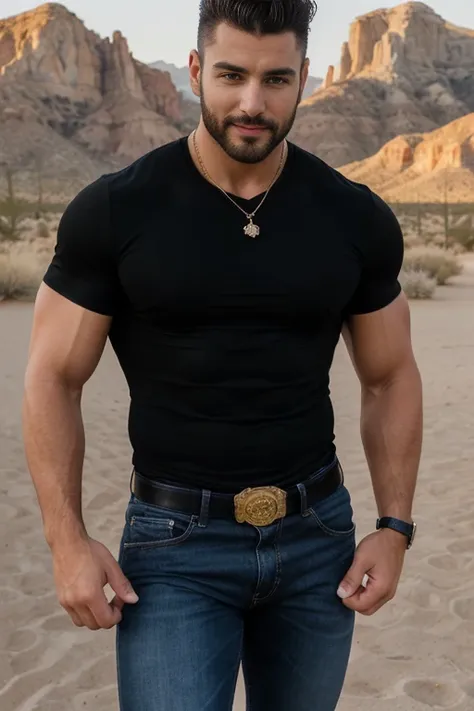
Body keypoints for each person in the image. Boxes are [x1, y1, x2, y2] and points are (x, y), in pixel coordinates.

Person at [22, 0, 423, 709]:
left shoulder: (354, 217)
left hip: (317, 539)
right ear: (198, 71)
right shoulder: (117, 212)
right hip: (175, 550)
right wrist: (67, 542)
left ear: (304, 77)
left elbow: (390, 377)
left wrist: (393, 526)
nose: (251, 102)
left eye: (275, 80)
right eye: (232, 75)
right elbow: (52, 378)